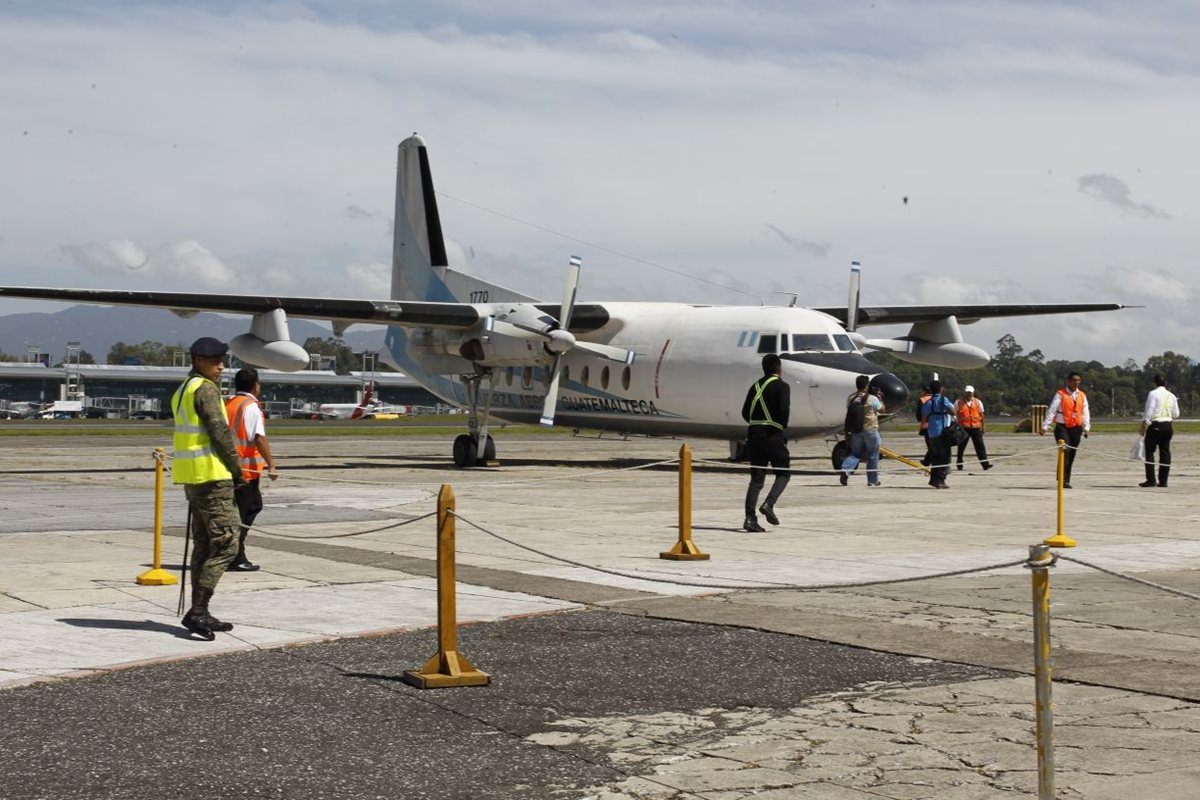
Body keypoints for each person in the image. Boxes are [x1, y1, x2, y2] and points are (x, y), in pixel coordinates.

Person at [172, 337, 246, 640]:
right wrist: (237, 469)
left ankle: (199, 610)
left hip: (193, 478)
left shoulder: (183, 389)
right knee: (228, 544)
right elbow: (220, 431)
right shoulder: (204, 388)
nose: (221, 366)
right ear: (198, 360)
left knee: (203, 545)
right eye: (215, 360)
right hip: (213, 477)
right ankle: (198, 611)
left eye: (222, 360)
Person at [225, 368, 279, 571]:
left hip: (228, 469)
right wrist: (271, 465)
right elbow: (258, 438)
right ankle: (235, 556)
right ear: (255, 385)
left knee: (242, 510)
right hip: (246, 471)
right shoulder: (251, 407)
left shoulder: (229, 404)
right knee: (248, 511)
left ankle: (233, 553)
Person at [741, 353, 790, 532]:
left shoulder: (755, 387)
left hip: (754, 434)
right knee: (784, 472)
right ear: (779, 369)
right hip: (772, 434)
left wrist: (757, 423)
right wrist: (781, 428)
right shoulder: (782, 386)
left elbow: (745, 412)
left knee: (756, 479)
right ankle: (769, 504)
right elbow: (784, 410)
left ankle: (750, 518)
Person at [1041, 371, 1090, 489]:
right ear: (1068, 381)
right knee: (1065, 451)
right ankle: (1061, 478)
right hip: (1062, 427)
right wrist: (1045, 426)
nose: (1076, 383)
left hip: (1076, 428)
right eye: (1074, 380)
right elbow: (1052, 409)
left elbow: (1085, 411)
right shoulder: (1060, 394)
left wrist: (1086, 427)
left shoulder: (1082, 395)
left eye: (1078, 380)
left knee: (1072, 453)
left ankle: (1066, 480)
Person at [839, 375, 884, 486]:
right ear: (867, 385)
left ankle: (845, 470)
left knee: (855, 453)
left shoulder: (851, 398)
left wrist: (847, 432)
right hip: (870, 430)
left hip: (856, 430)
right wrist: (880, 398)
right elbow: (882, 410)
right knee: (873, 455)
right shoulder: (872, 399)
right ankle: (872, 481)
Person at [1139, 373, 1179, 488]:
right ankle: (1163, 480)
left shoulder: (1153, 393)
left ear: (1155, 383)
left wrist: (1144, 423)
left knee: (1150, 452)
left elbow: (1149, 409)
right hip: (1168, 426)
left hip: (1156, 425)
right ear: (1165, 383)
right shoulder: (1171, 395)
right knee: (1165, 453)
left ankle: (1151, 480)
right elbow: (1176, 414)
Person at [921, 380, 955, 489]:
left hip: (931, 432)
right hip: (942, 432)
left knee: (935, 456)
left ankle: (933, 479)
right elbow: (953, 411)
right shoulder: (943, 400)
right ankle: (940, 479)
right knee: (944, 457)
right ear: (941, 389)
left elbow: (925, 418)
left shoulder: (928, 402)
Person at [954, 385, 992, 471]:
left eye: (970, 393)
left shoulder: (978, 402)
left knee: (980, 447)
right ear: (964, 393)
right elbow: (954, 414)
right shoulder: (958, 403)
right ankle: (959, 463)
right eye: (967, 393)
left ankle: (985, 464)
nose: (969, 395)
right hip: (964, 428)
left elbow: (982, 415)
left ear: (973, 393)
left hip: (976, 428)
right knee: (961, 447)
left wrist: (983, 427)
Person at [916, 384, 933, 466]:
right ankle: (928, 460)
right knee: (934, 444)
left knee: (930, 445)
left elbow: (919, 415)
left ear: (924, 391)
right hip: (936, 425)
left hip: (926, 426)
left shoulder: (922, 400)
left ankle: (927, 461)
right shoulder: (936, 399)